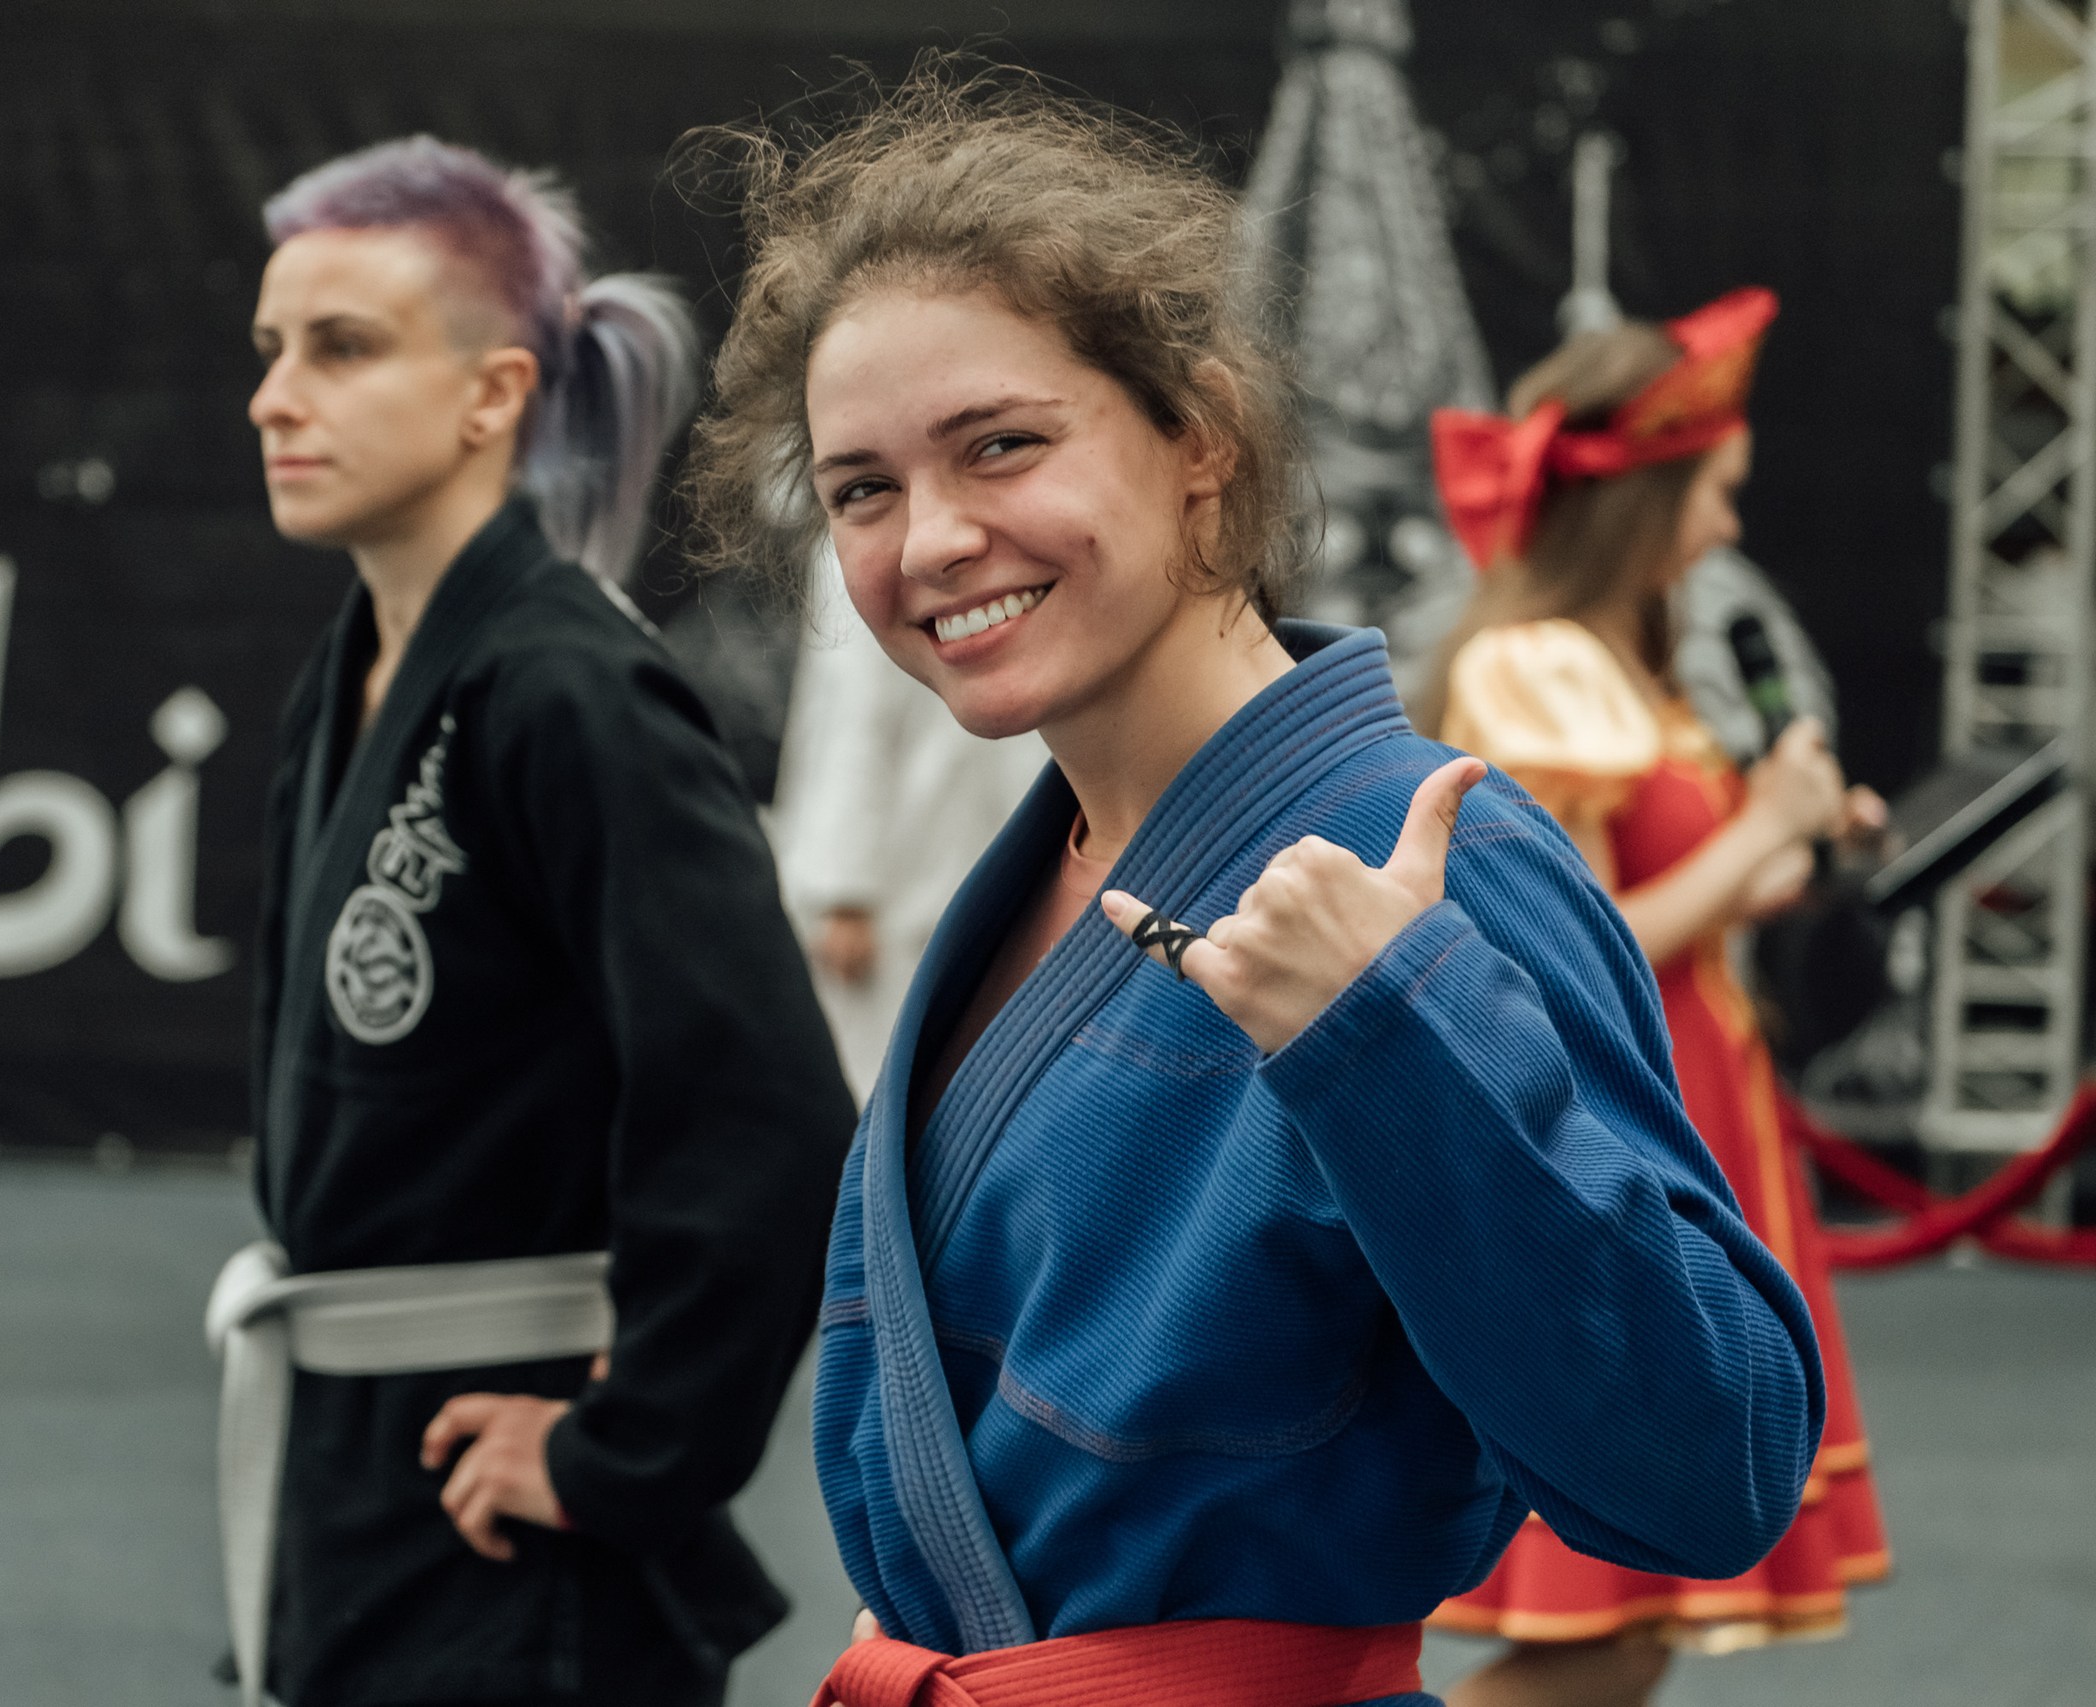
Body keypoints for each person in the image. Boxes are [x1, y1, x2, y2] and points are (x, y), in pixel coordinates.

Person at [680, 66, 1822, 1707]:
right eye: (863, 487)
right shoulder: (1035, 878)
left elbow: (1718, 1461)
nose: (928, 539)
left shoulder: (1427, 859)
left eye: (1001, 446)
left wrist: (1396, 1033)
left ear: (1200, 436)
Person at [222, 134, 853, 1707]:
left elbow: (768, 1113)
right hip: (365, 1478)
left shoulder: (572, 689)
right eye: (272, 348)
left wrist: (624, 1446)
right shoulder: (361, 664)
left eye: (341, 347)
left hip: (505, 1519)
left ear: (492, 393)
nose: (275, 397)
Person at [1420, 291, 1891, 1704]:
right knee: (1611, 1623)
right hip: (1620, 1118)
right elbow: (1573, 946)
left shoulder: (1620, 664)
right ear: (1645, 499)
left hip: (1701, 1097)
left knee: (1642, 1627)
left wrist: (1792, 852)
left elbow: (1666, 903)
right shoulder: (1533, 666)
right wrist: (1761, 833)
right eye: (1715, 493)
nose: (1727, 527)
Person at [770, 546, 1049, 1097]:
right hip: (887, 885)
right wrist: (844, 893)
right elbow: (851, 719)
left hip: (968, 836)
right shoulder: (856, 550)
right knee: (873, 1071)